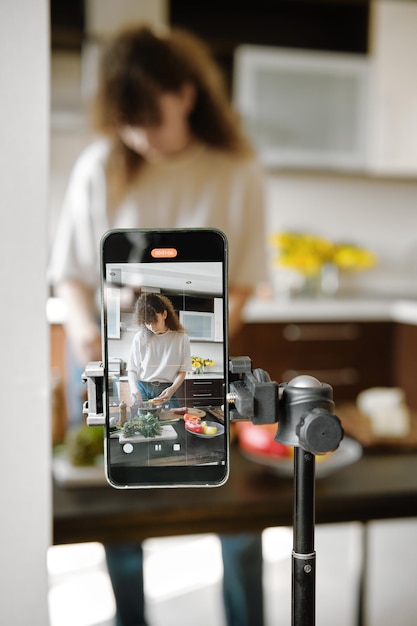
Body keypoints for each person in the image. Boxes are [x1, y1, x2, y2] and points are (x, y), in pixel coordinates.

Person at [49, 23, 267, 626]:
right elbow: (68, 273)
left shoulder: (235, 169)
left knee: (231, 506)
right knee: (120, 509)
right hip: (106, 357)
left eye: (151, 116)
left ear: (187, 95)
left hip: (197, 360)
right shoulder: (101, 165)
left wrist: (204, 348)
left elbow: (244, 278)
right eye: (127, 121)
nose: (139, 133)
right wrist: (91, 335)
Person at [127, 293, 191, 409]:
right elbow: (132, 369)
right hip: (142, 388)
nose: (151, 327)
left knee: (174, 424)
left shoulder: (181, 337)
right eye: (147, 323)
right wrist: (134, 390)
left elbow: (183, 370)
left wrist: (172, 389)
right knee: (143, 425)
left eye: (154, 321)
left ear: (164, 314)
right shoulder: (140, 337)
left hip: (167, 389)